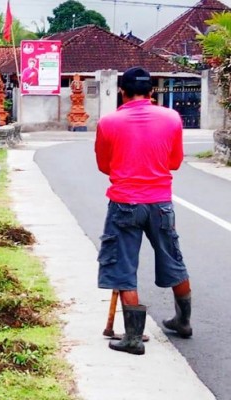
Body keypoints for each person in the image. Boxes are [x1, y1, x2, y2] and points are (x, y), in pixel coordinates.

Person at [95, 66, 192, 356]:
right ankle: (183, 321)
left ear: (122, 93)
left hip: (124, 202)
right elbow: (174, 162)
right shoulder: (172, 118)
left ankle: (133, 337)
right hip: (161, 203)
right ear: (152, 92)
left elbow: (104, 166)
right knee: (172, 258)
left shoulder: (109, 122)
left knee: (123, 266)